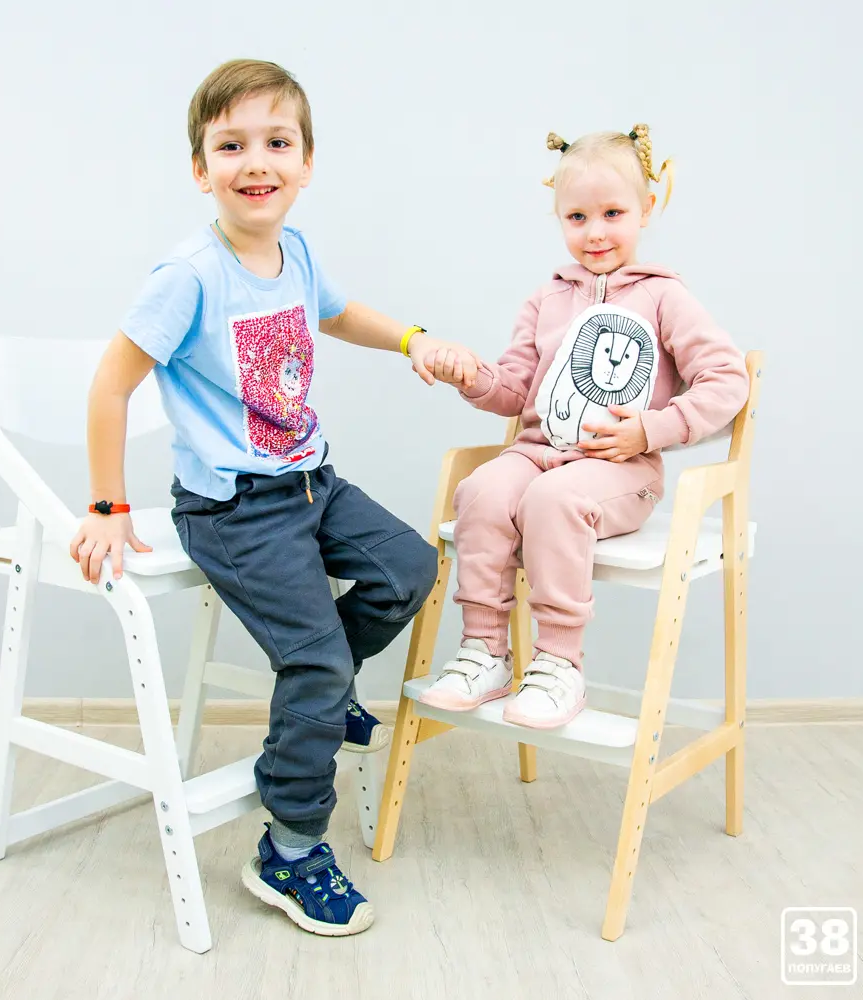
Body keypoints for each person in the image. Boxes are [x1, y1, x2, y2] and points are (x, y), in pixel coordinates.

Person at [69, 58, 479, 936]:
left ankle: (327, 697)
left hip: (310, 482)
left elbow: (337, 312)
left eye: (276, 142)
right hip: (234, 509)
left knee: (410, 568)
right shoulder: (189, 275)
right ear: (200, 169)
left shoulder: (296, 252)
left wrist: (412, 339)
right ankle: (289, 849)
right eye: (231, 146)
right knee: (316, 661)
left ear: (306, 161)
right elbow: (111, 385)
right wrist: (107, 505)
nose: (256, 161)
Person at [418, 124, 749, 730]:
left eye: (612, 213)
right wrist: (472, 378)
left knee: (554, 498)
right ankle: (485, 651)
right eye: (577, 217)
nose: (595, 232)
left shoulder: (664, 297)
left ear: (647, 208)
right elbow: (516, 391)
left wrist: (651, 429)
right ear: (559, 218)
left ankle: (559, 664)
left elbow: (726, 381)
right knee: (481, 490)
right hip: (538, 451)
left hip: (620, 470)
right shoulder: (546, 299)